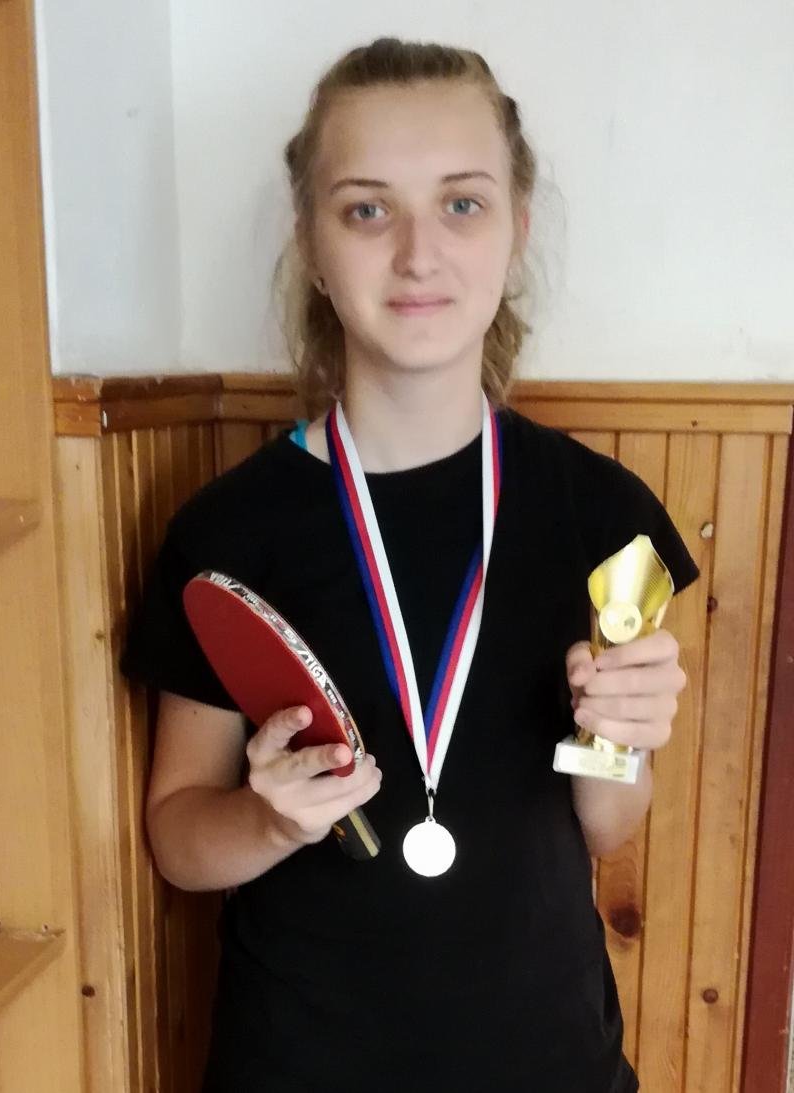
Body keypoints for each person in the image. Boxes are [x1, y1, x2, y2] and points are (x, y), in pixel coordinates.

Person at [122, 37, 699, 1093]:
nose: (418, 254)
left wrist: (616, 741)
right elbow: (179, 838)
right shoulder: (228, 532)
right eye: (366, 209)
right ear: (311, 240)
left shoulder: (605, 515)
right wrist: (265, 818)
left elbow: (608, 828)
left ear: (517, 230)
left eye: (462, 204)